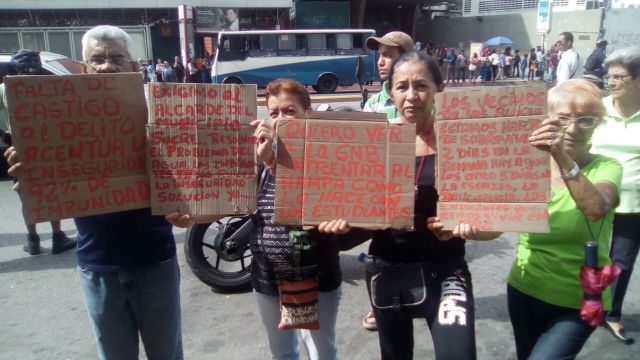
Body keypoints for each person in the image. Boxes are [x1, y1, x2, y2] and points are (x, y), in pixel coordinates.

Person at [5, 25, 183, 359]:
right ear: (85, 69)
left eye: (117, 58)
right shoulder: (59, 121)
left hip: (155, 262)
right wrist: (29, 166)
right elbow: (44, 176)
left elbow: (191, 173)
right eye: (96, 60)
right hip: (97, 267)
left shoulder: (161, 116)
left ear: (134, 68)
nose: (106, 66)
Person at [169, 78, 361, 360]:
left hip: (317, 273)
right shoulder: (255, 161)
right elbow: (229, 203)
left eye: (289, 111)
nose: (280, 119)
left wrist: (272, 158)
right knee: (281, 352)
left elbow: (326, 199)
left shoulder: (323, 156)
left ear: (307, 115)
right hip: (267, 276)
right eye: (274, 113)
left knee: (320, 350)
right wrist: (190, 216)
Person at [430, 79, 622, 359]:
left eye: (585, 120)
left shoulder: (607, 166)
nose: (571, 129)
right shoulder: (528, 166)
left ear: (597, 124)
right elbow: (498, 226)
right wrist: (465, 229)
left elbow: (595, 207)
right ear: (545, 120)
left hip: (579, 301)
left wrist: (560, 155)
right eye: (562, 119)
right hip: (525, 290)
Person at [366, 51, 477, 359]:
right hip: (388, 268)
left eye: (421, 85)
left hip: (447, 269)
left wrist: (464, 225)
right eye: (402, 86)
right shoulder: (375, 141)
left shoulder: (460, 140)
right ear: (390, 93)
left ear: (439, 90)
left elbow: (487, 210)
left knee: (459, 354)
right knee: (395, 355)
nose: (411, 95)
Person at [361, 31, 415, 330]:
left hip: (419, 183)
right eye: (379, 54)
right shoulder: (373, 102)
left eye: (388, 54)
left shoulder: (423, 99)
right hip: (383, 188)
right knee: (382, 248)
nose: (381, 60)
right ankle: (379, 305)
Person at [0, 49, 76, 256]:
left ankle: (32, 239)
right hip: (49, 149)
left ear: (15, 68)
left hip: (19, 149)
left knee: (27, 194)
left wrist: (5, 136)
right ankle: (58, 236)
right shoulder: (49, 88)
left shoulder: (4, 89)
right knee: (52, 192)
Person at [590, 46, 640, 345]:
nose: (612, 82)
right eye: (609, 76)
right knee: (591, 254)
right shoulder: (598, 110)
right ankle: (589, 305)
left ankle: (612, 314)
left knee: (621, 261)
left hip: (634, 201)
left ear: (637, 79)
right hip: (594, 197)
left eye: (620, 76)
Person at [363, 31, 415, 124]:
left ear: (407, 58)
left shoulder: (425, 103)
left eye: (387, 55)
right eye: (379, 55)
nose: (380, 62)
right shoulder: (372, 105)